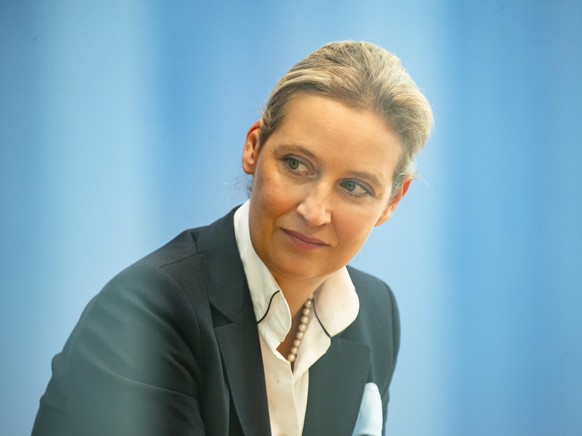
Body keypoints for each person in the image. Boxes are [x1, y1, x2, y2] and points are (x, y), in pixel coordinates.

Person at [32, 40, 433, 436]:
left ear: (392, 201)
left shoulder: (376, 314)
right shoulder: (145, 312)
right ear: (254, 148)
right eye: (296, 165)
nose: (314, 211)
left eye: (353, 186)